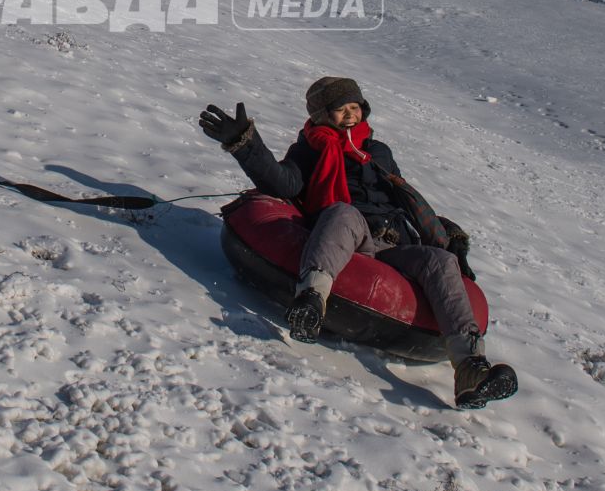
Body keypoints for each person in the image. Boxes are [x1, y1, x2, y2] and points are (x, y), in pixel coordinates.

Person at [200, 77, 518, 409]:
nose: (351, 115)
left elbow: (404, 199)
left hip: (395, 244)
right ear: (323, 114)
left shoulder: (377, 152)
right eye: (341, 109)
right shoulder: (309, 149)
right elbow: (284, 183)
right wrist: (244, 144)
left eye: (355, 107)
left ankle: (470, 370)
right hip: (350, 235)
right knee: (343, 211)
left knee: (440, 262)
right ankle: (310, 302)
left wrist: (449, 238)